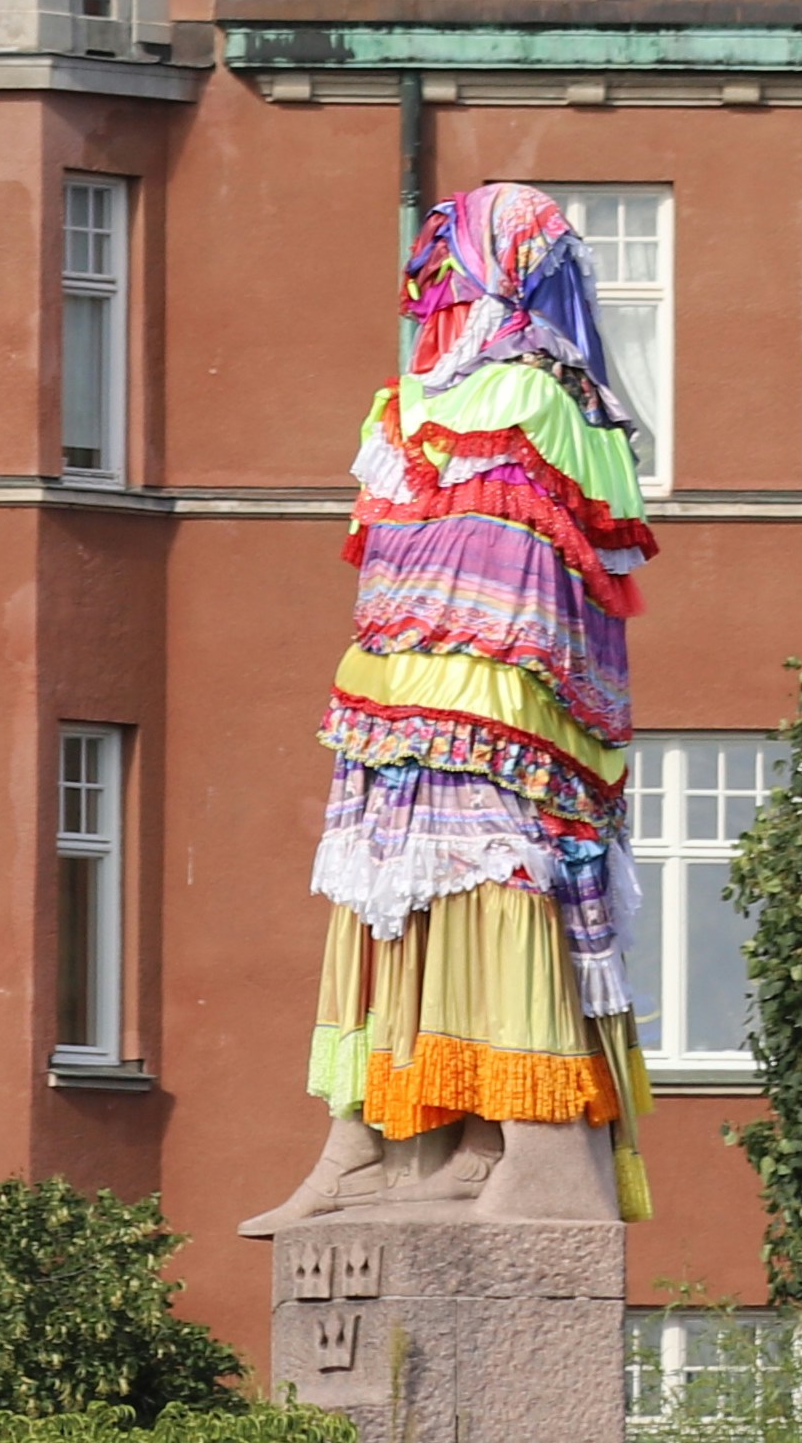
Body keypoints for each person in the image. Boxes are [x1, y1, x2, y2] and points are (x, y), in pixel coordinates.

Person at [256, 181, 657, 1231]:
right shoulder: (406, 405)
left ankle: (513, 1140)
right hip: (392, 703)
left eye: (450, 267)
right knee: (392, 910)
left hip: (502, 706)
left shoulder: (548, 402)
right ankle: (382, 1141)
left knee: (491, 900)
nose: (435, 291)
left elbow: (555, 586)